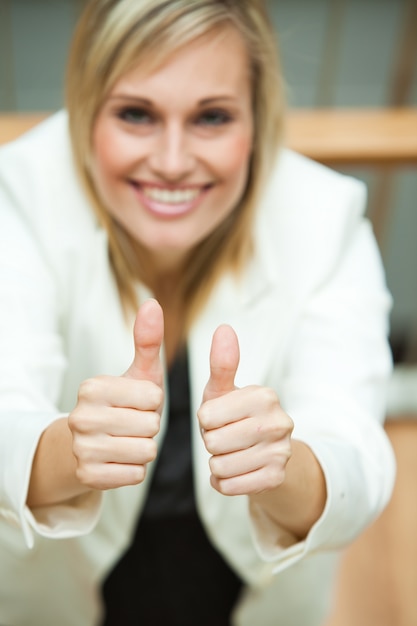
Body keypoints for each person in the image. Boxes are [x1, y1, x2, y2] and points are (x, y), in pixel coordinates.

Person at [0, 1, 395, 625]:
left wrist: (284, 465)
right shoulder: (20, 192)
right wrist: (65, 449)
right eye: (136, 114)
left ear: (258, 121)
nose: (173, 161)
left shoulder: (324, 217)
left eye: (212, 117)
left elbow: (357, 456)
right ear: (84, 109)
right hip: (60, 591)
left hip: (246, 595)